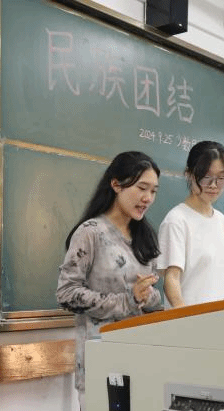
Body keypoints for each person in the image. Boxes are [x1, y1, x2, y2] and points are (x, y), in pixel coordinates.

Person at [56, 151, 163, 410]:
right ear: (116, 184)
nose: (148, 198)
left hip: (141, 360)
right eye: (141, 188)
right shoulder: (90, 232)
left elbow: (153, 300)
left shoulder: (145, 237)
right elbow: (67, 293)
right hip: (101, 363)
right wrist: (129, 299)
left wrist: (148, 296)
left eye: (153, 191)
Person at [158, 141, 224, 308]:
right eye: (206, 177)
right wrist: (186, 317)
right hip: (194, 320)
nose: (213, 185)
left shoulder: (222, 221)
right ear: (189, 174)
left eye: (221, 178)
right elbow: (171, 278)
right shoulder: (176, 220)